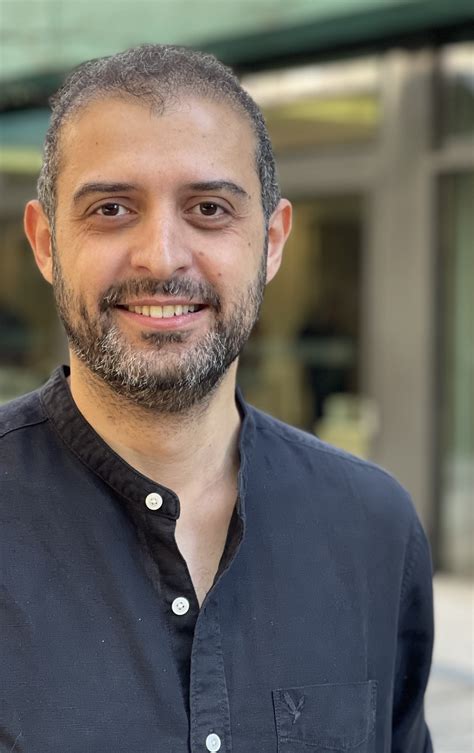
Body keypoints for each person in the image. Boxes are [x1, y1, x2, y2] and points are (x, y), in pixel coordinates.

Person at [0, 44, 433, 753]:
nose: (162, 256)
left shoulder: (373, 527)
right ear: (46, 244)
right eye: (111, 208)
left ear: (272, 241)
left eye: (208, 208)